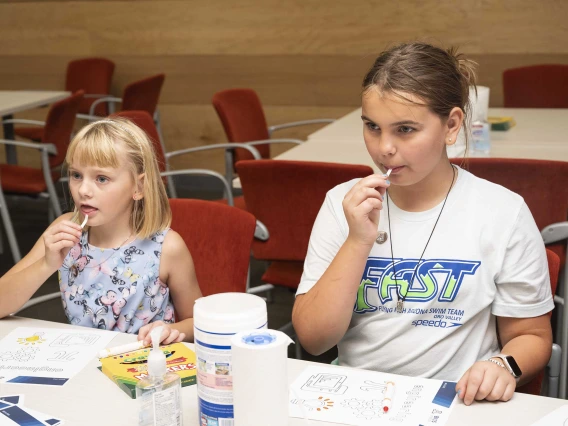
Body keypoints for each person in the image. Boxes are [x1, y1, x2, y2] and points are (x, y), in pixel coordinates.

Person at [292, 42, 553, 406]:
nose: (384, 147)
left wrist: (501, 364)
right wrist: (357, 242)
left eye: (405, 130)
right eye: (372, 126)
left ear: (451, 125)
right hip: (360, 399)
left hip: (456, 402)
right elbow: (314, 339)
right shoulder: (343, 205)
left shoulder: (502, 212)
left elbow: (532, 335)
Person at [0, 118, 202, 345]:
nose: (83, 190)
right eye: (76, 175)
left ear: (139, 187)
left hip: (143, 369)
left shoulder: (167, 248)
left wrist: (171, 330)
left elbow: (198, 321)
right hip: (82, 363)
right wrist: (46, 265)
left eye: (102, 178)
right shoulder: (64, 230)